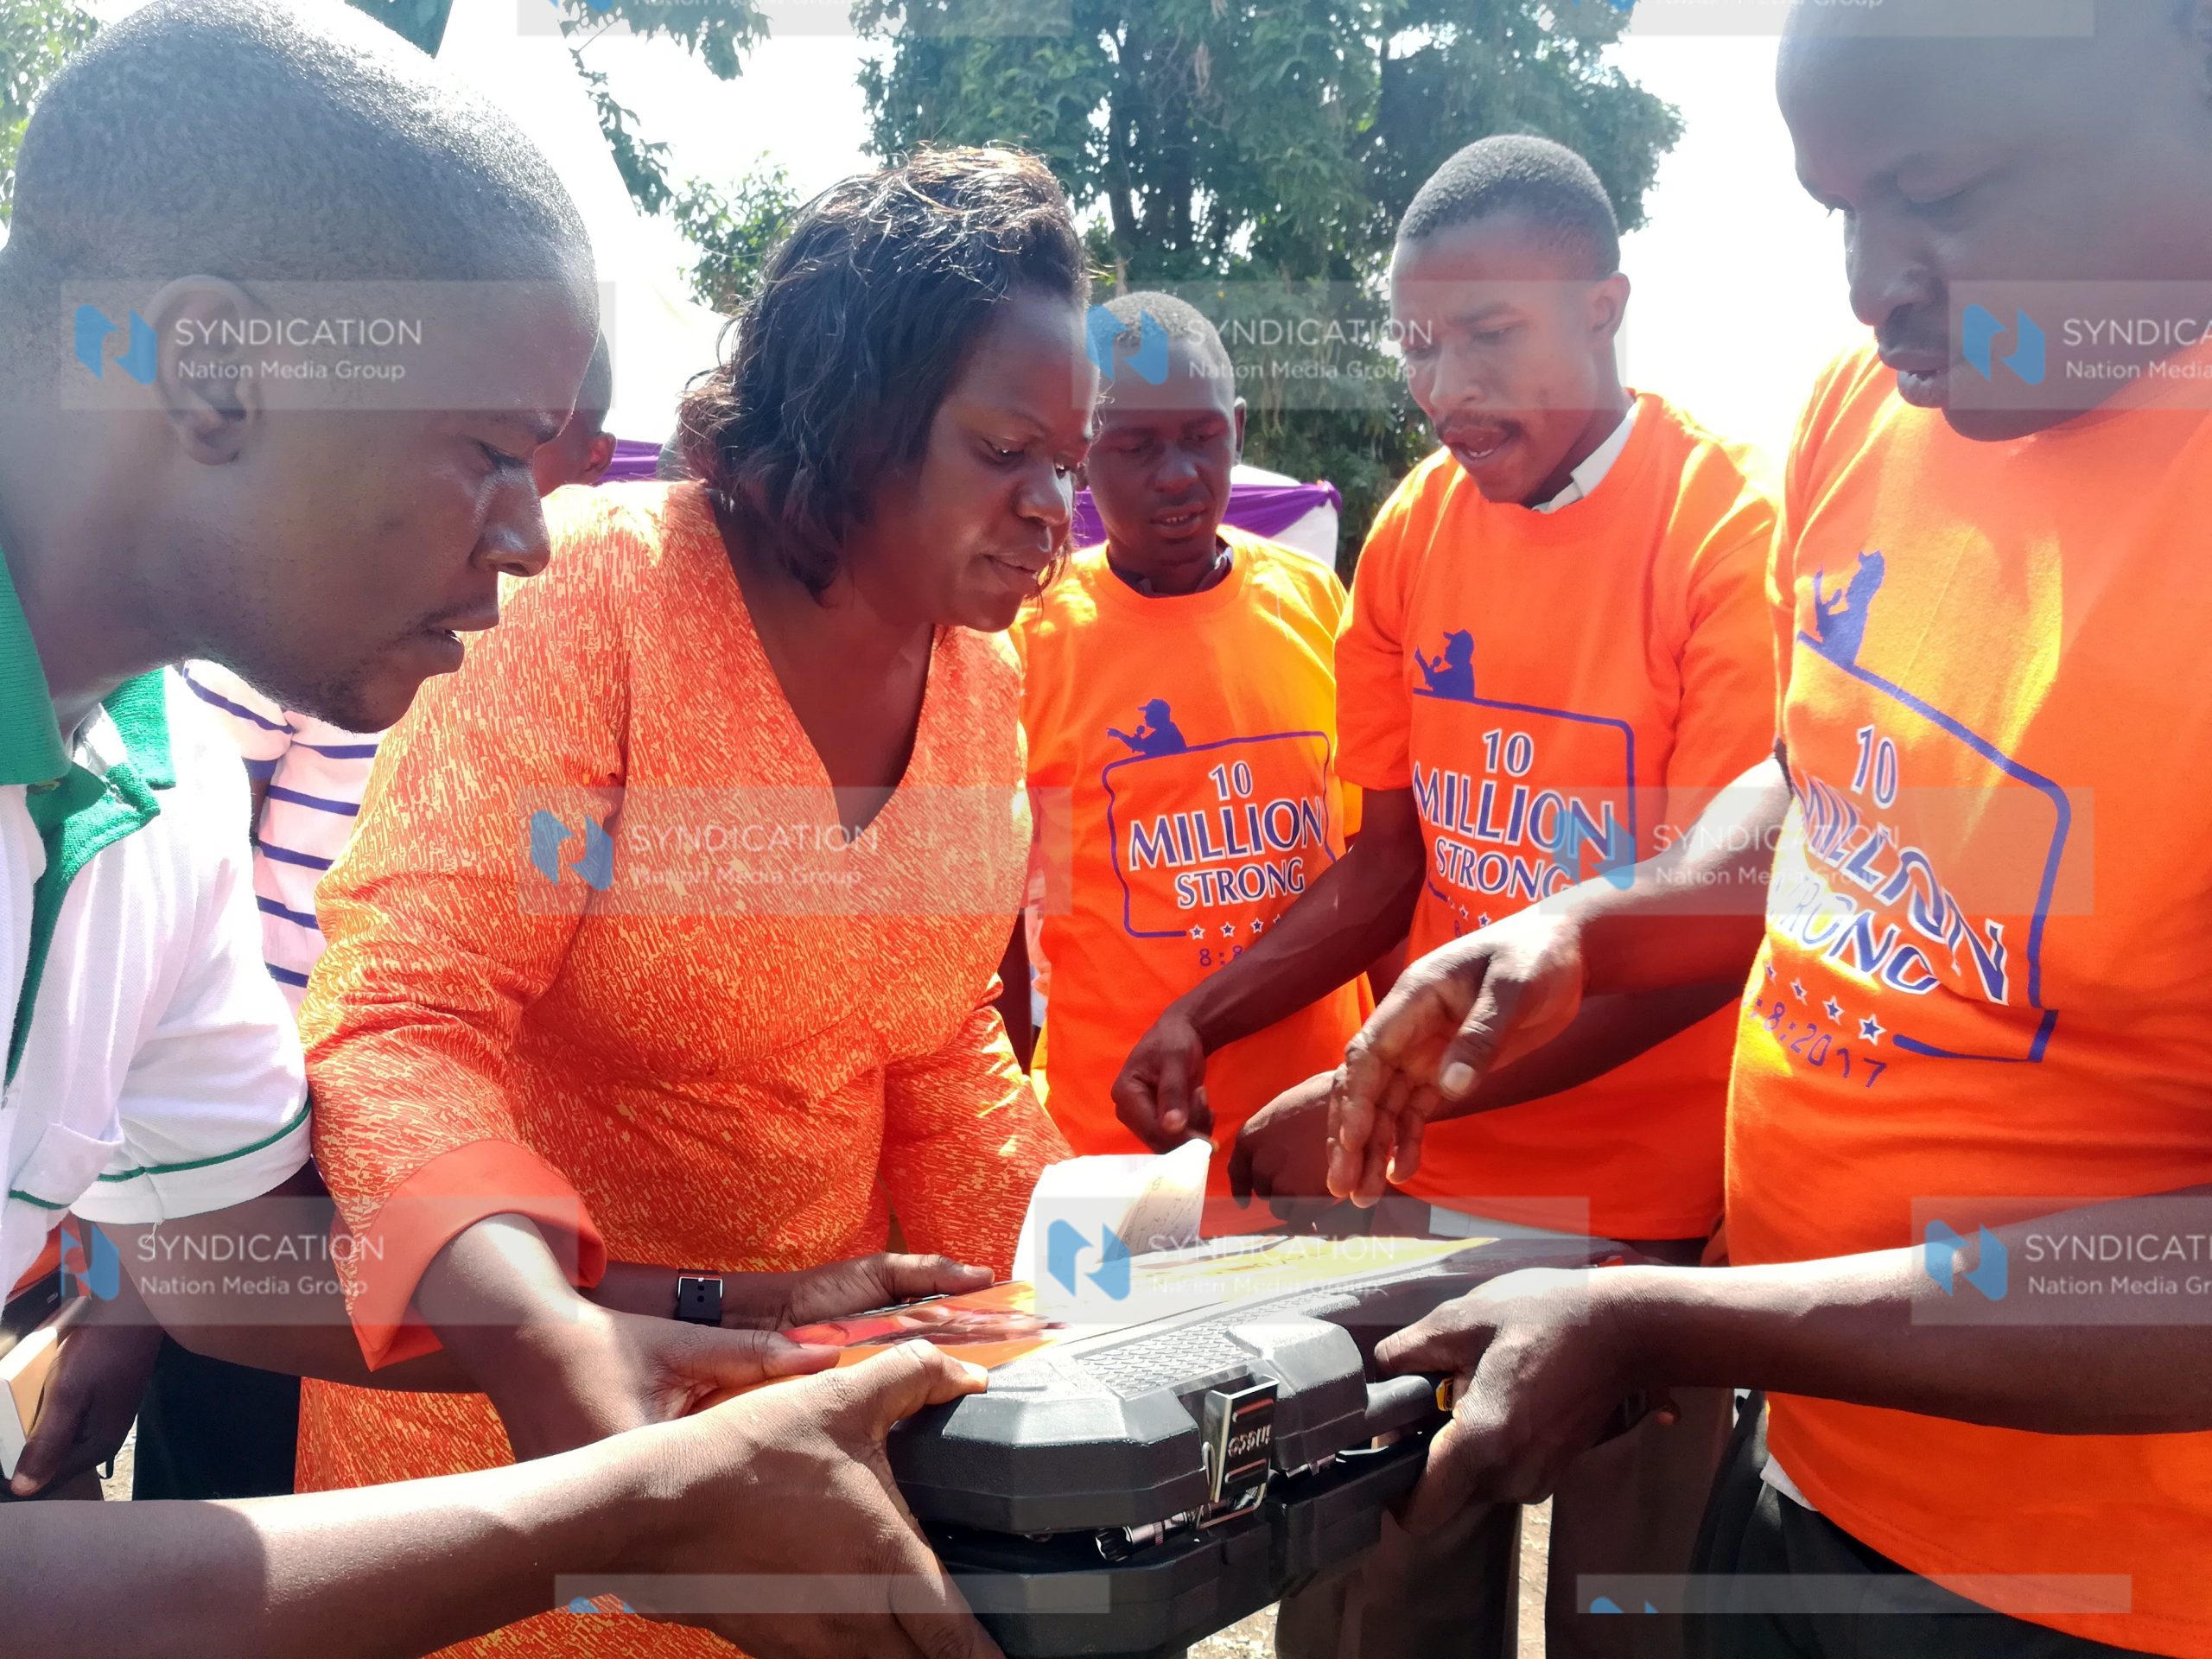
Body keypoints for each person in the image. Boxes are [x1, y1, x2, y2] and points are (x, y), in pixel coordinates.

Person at [0, 6, 1008, 1655]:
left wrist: (671, 1322)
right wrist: (609, 1510)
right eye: (486, 452)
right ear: (211, 368)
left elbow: (211, 1268)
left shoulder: (158, 786)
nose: (536, 541)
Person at [1337, 6, 2212, 1657]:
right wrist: (1595, 929)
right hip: (1805, 1476)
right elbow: (1825, 783)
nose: (1873, 279)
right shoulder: (1869, 411)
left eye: (1938, 190)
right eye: (1837, 209)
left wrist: (1660, 1313)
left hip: (2103, 1590)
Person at [294, 146, 1090, 1656]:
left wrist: (1091, 1298)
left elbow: (941, 1051)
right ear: (857, 417)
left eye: (1071, 460)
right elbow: (405, 1015)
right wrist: (555, 1357)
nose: (1056, 508)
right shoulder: (598, 604)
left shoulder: (987, 687)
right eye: (1006, 450)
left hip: (811, 1438)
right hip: (516, 1447)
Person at [1112, 138, 1778, 1658]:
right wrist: (1199, 1018)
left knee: (1631, 1614)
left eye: (1491, 336)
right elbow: (1389, 861)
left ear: (1606, 308)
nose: (1445, 384)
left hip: (1646, 1216)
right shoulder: (1416, 527)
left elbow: (1703, 941)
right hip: (1418, 1188)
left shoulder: (1726, 531)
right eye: (1418, 341)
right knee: (1380, 1598)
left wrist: (1384, 1094)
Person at [133, 331, 624, 1509]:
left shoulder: (576, 660)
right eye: (487, 447)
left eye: (540, 452)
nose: (522, 524)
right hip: (249, 1151)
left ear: (597, 460)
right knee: (223, 1491)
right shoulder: (302, 634)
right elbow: (182, 868)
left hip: (416, 1186)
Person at [1005, 292, 1364, 1206]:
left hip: (1315, 1141)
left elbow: (1373, 868)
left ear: (1237, 432)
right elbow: (995, 926)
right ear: (1080, 452)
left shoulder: (1318, 605)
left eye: (1202, 438)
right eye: (1135, 446)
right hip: (1113, 1152)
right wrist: (1003, 1145)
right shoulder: (1027, 641)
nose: (1177, 475)